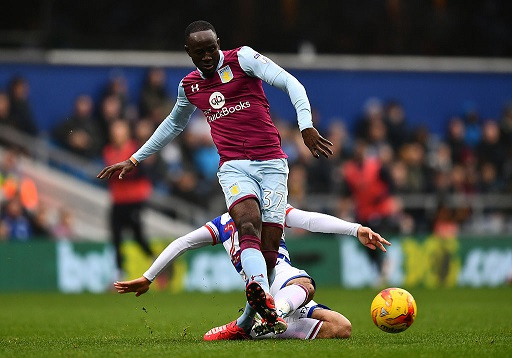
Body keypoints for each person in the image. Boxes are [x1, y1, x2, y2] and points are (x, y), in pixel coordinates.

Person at [97, 20, 333, 330]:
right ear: (188, 52)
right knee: (247, 221)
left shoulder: (243, 59)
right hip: (234, 166)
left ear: (218, 43)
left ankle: (247, 321)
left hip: (272, 162)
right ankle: (261, 295)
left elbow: (292, 84)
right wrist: (135, 158)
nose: (207, 56)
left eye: (211, 49)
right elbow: (172, 125)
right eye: (200, 52)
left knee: (270, 252)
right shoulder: (189, 86)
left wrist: (305, 125)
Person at [113, 204, 390, 340]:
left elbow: (311, 220)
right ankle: (273, 313)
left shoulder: (271, 209)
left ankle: (260, 326)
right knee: (306, 283)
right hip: (276, 283)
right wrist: (149, 276)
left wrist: (356, 229)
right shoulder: (222, 224)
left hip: (280, 289)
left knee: (343, 327)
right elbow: (182, 242)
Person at [102, 120, 154, 278]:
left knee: (138, 237)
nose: (116, 134)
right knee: (116, 237)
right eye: (114, 131)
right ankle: (119, 273)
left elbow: (142, 173)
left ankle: (156, 262)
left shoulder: (135, 149)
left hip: (134, 200)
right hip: (118, 201)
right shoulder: (108, 151)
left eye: (119, 130)